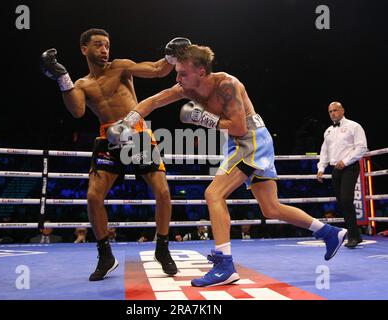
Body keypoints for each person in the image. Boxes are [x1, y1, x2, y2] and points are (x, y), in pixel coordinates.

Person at [110, 44, 348, 287]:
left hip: (251, 140)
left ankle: (224, 264)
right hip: (239, 144)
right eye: (177, 73)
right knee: (271, 208)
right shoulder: (187, 88)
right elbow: (154, 101)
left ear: (201, 72)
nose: (177, 78)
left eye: (183, 73)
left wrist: (201, 118)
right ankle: (329, 233)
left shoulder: (227, 86)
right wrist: (126, 123)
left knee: (213, 193)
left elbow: (239, 127)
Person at [41, 28, 190, 281]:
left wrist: (171, 56)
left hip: (137, 133)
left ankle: (163, 249)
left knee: (163, 192)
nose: (104, 50)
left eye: (107, 45)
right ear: (84, 49)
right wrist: (62, 77)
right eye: (98, 45)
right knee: (93, 196)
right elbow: (76, 111)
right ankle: (105, 255)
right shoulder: (82, 84)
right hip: (107, 138)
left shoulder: (120, 67)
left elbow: (156, 70)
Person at [317, 102, 368, 248]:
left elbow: (361, 148)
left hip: (350, 167)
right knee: (342, 203)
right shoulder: (328, 131)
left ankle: (352, 236)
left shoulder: (354, 126)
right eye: (330, 111)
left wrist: (345, 161)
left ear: (342, 110)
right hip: (335, 169)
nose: (333, 113)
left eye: (335, 110)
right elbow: (324, 151)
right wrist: (321, 168)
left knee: (346, 200)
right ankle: (355, 235)